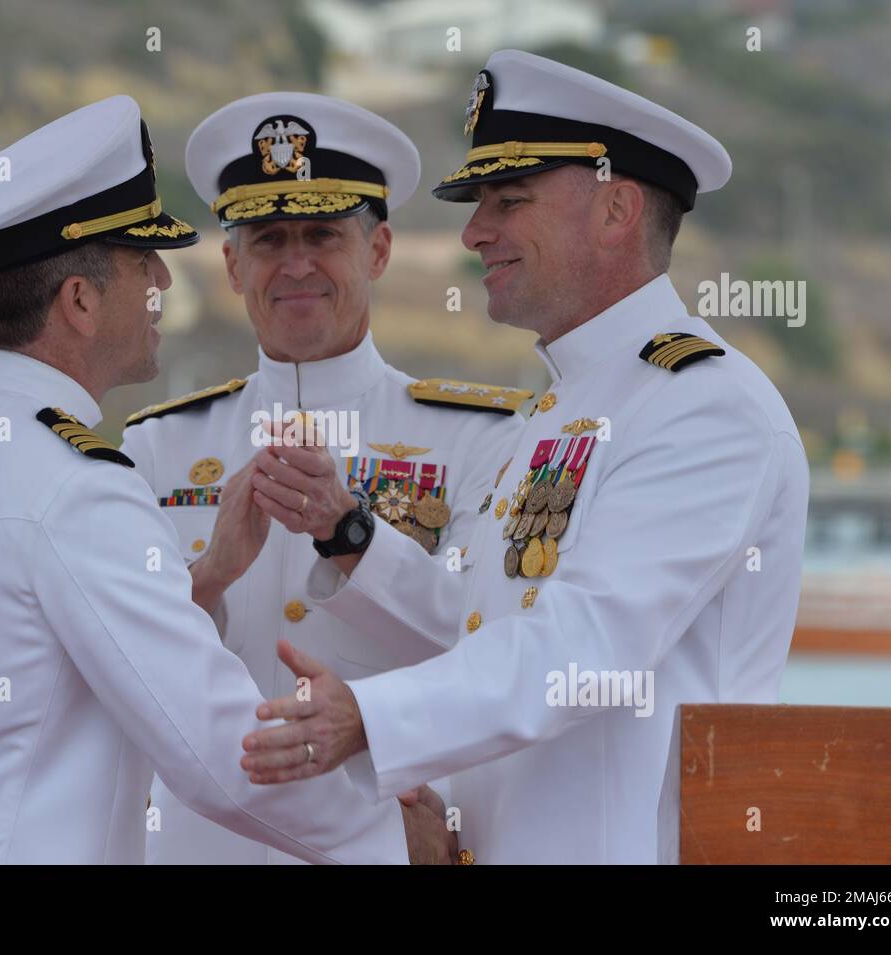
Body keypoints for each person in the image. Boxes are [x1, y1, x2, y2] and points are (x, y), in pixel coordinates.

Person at [0, 95, 440, 864]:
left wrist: (210, 574)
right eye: (140, 260)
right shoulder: (75, 484)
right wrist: (394, 840)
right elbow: (220, 753)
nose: (160, 277)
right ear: (80, 301)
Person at [238, 50, 811, 865]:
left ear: (616, 209)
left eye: (509, 201)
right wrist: (351, 535)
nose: (475, 233)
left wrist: (371, 716)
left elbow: (587, 646)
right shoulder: (553, 409)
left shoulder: (703, 405)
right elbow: (483, 627)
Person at [121, 91, 526, 865]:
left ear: (377, 252)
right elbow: (126, 659)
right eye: (269, 238)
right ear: (233, 265)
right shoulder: (159, 443)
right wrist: (208, 574)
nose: (297, 263)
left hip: (395, 839)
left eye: (322, 234)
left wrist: (355, 536)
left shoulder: (480, 438)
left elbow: (496, 648)